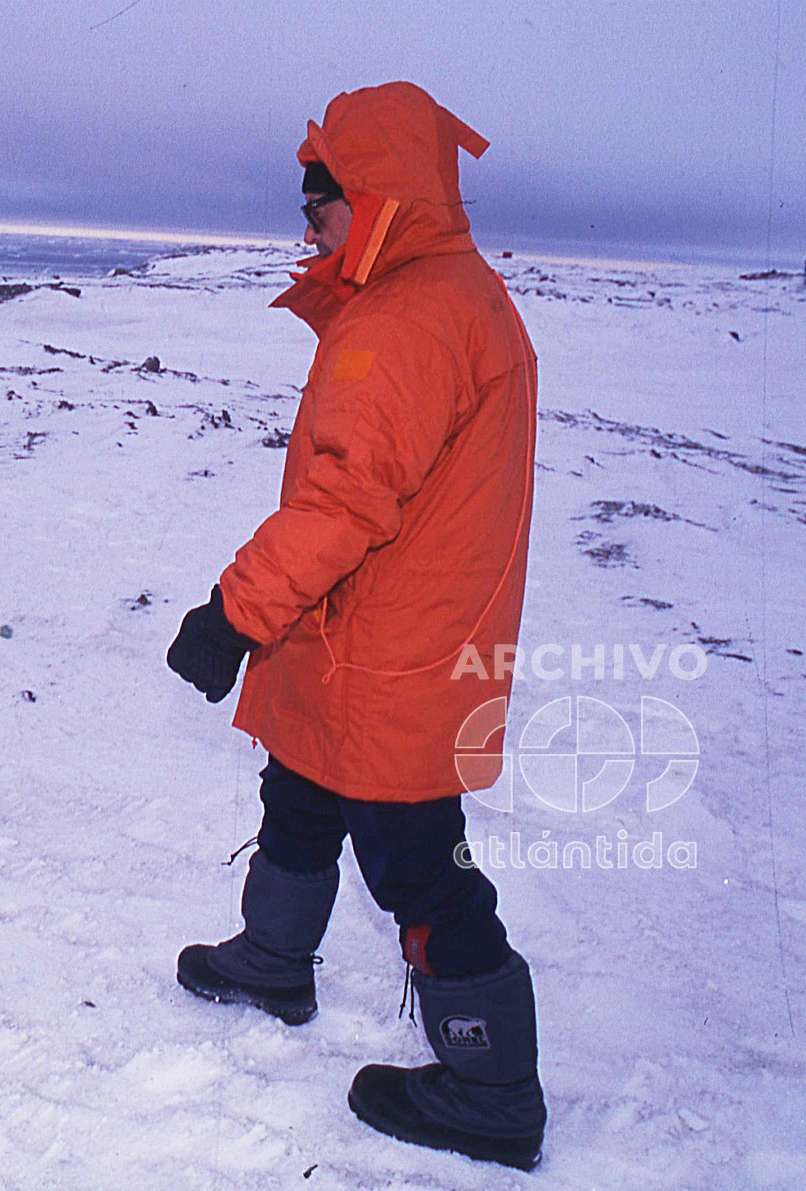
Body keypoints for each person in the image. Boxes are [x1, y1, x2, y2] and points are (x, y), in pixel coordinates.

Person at [166, 81, 544, 1170]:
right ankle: (274, 960)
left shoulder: (408, 319)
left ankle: (489, 1089)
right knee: (299, 780)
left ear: (375, 194)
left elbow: (344, 500)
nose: (306, 221)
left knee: (418, 868)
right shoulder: (438, 294)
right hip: (367, 630)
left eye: (320, 198)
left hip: (390, 642)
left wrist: (232, 614)